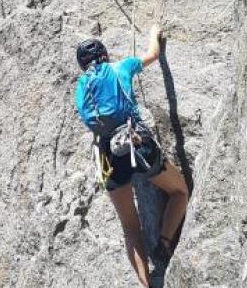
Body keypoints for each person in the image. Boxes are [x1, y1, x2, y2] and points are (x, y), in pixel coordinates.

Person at [74, 25, 189, 287]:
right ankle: (163, 244)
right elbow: (153, 54)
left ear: (83, 65)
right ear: (104, 54)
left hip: (108, 155)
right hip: (136, 142)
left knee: (129, 225)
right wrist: (154, 32)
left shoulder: (82, 89)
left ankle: (146, 284)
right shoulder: (120, 68)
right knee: (180, 191)